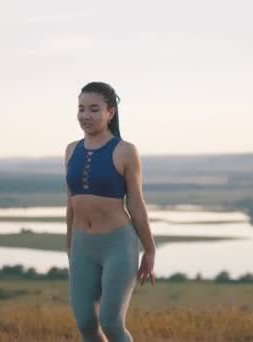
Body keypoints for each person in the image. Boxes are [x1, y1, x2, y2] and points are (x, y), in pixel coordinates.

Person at [65, 81, 156, 341]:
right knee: (85, 323)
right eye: (81, 109)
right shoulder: (71, 150)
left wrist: (149, 249)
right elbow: (70, 203)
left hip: (118, 244)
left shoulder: (125, 151)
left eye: (94, 109)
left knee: (111, 322)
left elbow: (136, 205)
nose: (86, 116)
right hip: (82, 245)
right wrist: (69, 243)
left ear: (110, 112)